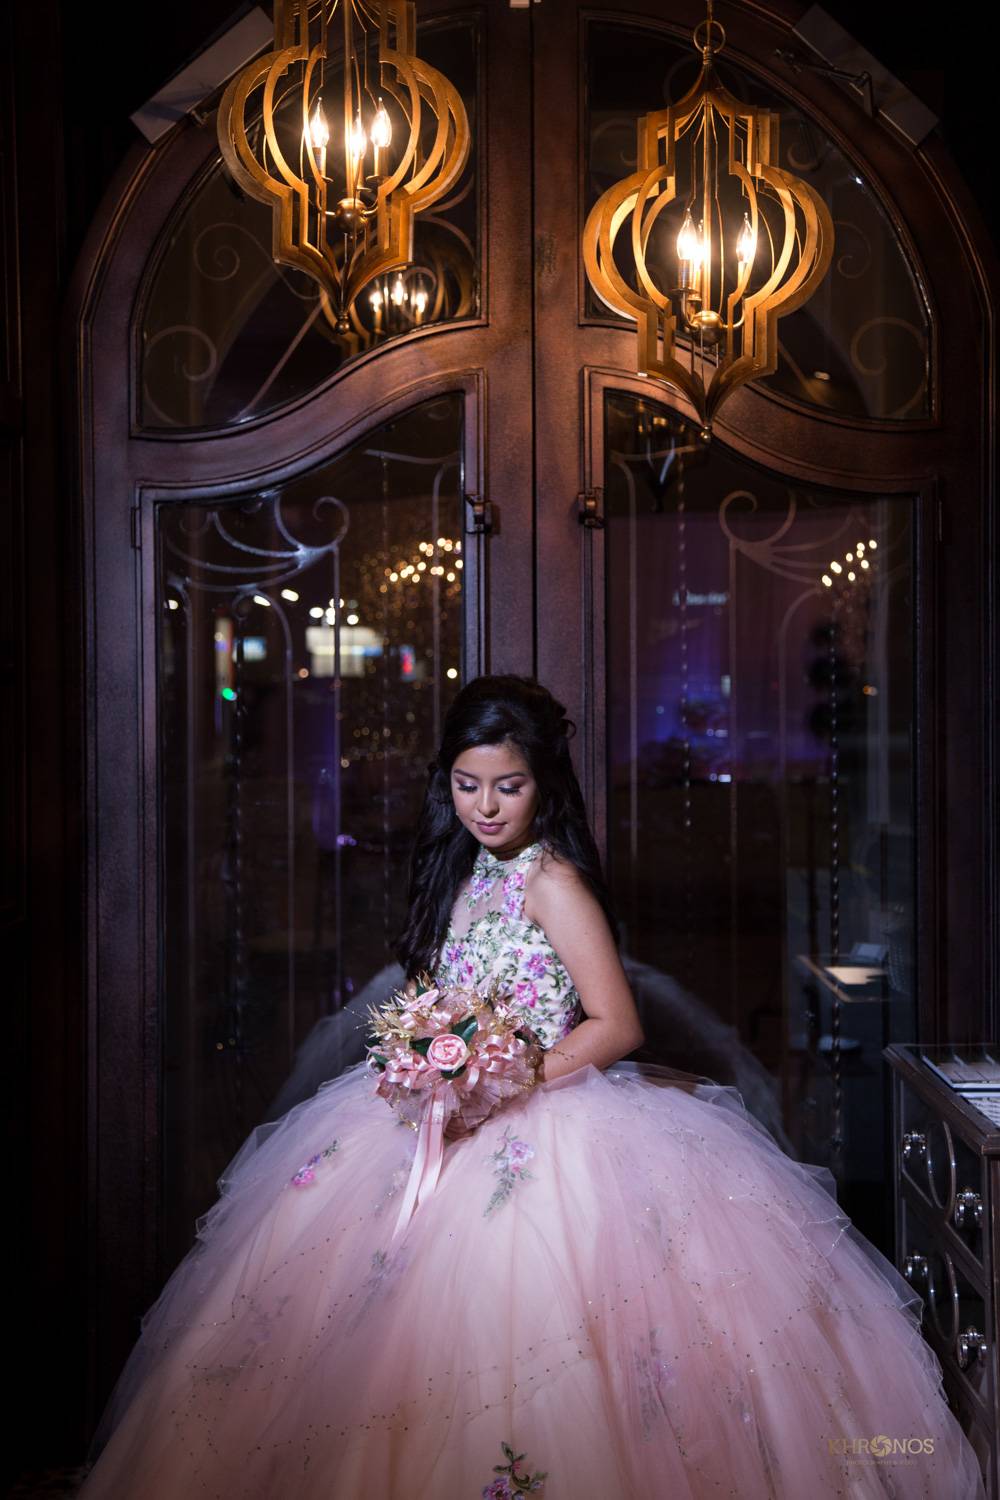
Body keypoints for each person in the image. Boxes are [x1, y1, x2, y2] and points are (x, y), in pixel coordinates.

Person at [78, 674, 985, 1499]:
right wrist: (432, 1057)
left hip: (542, 1117)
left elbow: (616, 1024)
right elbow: (452, 994)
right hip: (446, 1112)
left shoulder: (552, 881)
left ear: (543, 782)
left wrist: (503, 1083)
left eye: (507, 786)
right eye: (468, 784)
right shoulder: (464, 872)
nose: (486, 805)